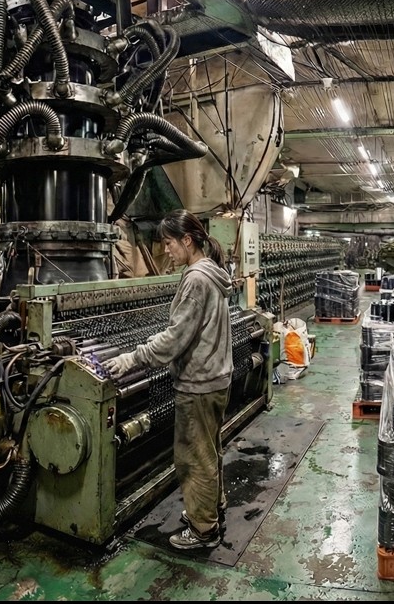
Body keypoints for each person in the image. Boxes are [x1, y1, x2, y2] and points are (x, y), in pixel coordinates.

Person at [102, 210, 235, 550]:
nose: (166, 250)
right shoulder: (215, 274)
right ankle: (212, 508)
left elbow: (176, 338)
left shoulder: (195, 278)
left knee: (194, 458)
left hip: (198, 384)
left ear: (187, 241)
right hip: (218, 378)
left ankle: (203, 531)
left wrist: (132, 357)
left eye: (169, 243)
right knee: (210, 451)